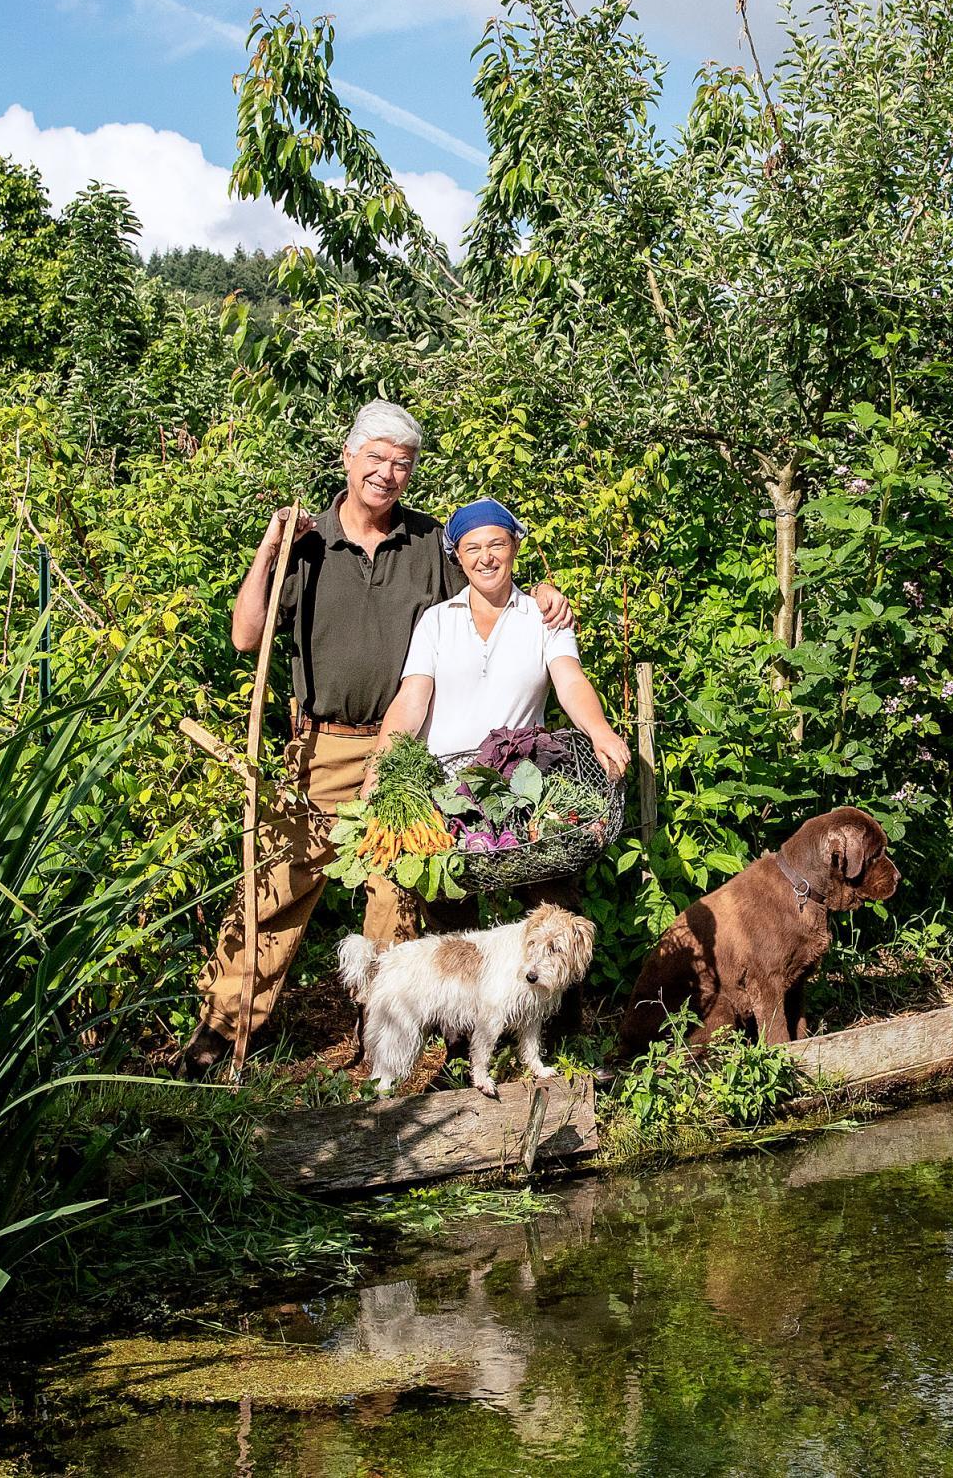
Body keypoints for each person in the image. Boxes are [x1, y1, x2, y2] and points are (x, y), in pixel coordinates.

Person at [179, 402, 574, 1077]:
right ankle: (224, 1027)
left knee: (399, 893)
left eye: (402, 463)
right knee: (276, 884)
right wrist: (269, 548)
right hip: (322, 746)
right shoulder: (307, 543)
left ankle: (387, 1036)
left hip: (408, 752)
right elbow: (246, 635)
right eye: (377, 458)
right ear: (349, 457)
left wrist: (543, 590)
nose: (388, 473)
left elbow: (491, 583)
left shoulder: (428, 544)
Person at [379, 499, 631, 779]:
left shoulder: (546, 617)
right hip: (439, 785)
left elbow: (571, 681)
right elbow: (410, 702)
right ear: (458, 556)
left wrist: (599, 730)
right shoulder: (437, 620)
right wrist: (378, 773)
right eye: (472, 548)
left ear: (515, 546)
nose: (485, 558)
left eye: (497, 545)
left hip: (516, 789)